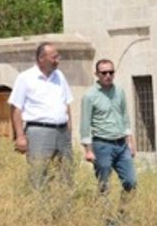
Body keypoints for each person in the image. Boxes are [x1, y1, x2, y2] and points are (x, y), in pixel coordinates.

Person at [9, 43, 74, 189]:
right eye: (54, 57)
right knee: (39, 175)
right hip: (39, 132)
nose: (58, 60)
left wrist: (69, 130)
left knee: (66, 174)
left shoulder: (60, 76)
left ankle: (65, 209)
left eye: (59, 56)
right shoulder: (25, 78)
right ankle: (40, 209)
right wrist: (20, 136)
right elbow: (16, 108)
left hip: (62, 132)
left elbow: (67, 104)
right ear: (41, 58)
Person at [80, 59, 137, 208]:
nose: (108, 75)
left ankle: (122, 212)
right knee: (104, 184)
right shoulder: (90, 96)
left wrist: (130, 141)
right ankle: (105, 217)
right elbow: (85, 124)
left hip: (121, 144)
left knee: (131, 182)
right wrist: (88, 150)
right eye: (104, 73)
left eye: (111, 72)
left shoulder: (119, 91)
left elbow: (125, 117)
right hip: (102, 144)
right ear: (97, 74)